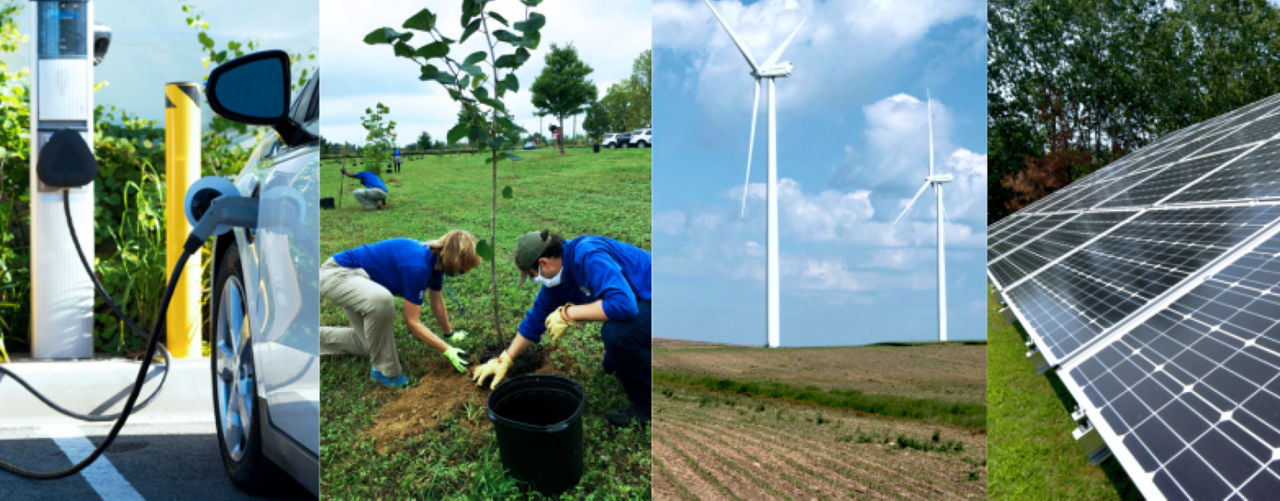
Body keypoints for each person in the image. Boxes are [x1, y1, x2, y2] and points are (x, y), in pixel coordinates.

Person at [473, 230, 652, 427]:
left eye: (534, 275)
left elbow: (624, 305)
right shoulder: (558, 281)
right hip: (641, 298)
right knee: (613, 362)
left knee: (618, 336)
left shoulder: (588, 255)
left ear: (543, 263)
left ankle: (645, 407)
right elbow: (534, 321)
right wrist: (506, 358)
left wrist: (569, 314)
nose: (536, 280)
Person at [321, 231, 481, 388]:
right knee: (382, 301)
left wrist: (449, 334)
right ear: (453, 260)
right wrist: (447, 350)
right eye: (462, 269)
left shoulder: (436, 262)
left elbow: (437, 303)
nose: (464, 273)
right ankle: (384, 372)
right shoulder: (418, 265)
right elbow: (412, 322)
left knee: (368, 345)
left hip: (361, 281)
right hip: (338, 275)